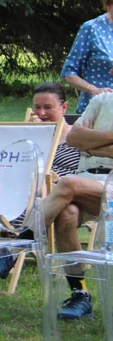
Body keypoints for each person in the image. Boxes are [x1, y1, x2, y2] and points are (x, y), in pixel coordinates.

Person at [39, 85, 113, 320]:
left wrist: (89, 143)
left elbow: (82, 140)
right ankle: (80, 294)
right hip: (89, 179)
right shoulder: (102, 100)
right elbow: (73, 138)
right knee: (66, 214)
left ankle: (19, 241)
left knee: (68, 184)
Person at [61, 0, 113, 113]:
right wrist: (94, 90)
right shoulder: (92, 28)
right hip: (97, 111)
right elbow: (68, 73)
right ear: (108, 4)